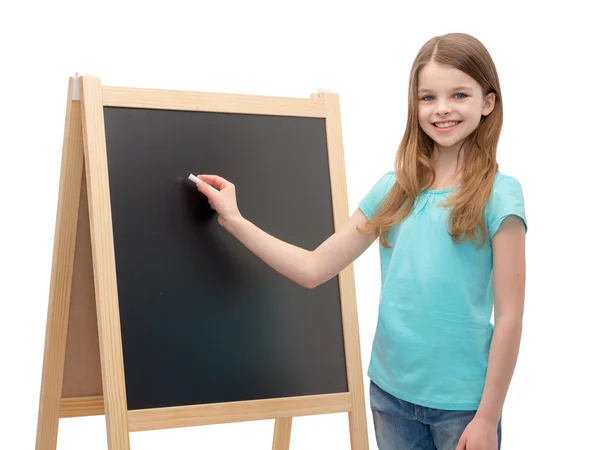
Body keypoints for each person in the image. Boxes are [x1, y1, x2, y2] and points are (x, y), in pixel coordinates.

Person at [193, 32, 527, 450]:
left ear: (488, 102)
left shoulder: (500, 195)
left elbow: (510, 317)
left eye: (459, 94)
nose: (442, 109)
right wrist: (236, 220)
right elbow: (314, 268)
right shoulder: (394, 190)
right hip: (390, 398)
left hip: (463, 408)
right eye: (428, 97)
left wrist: (488, 417)